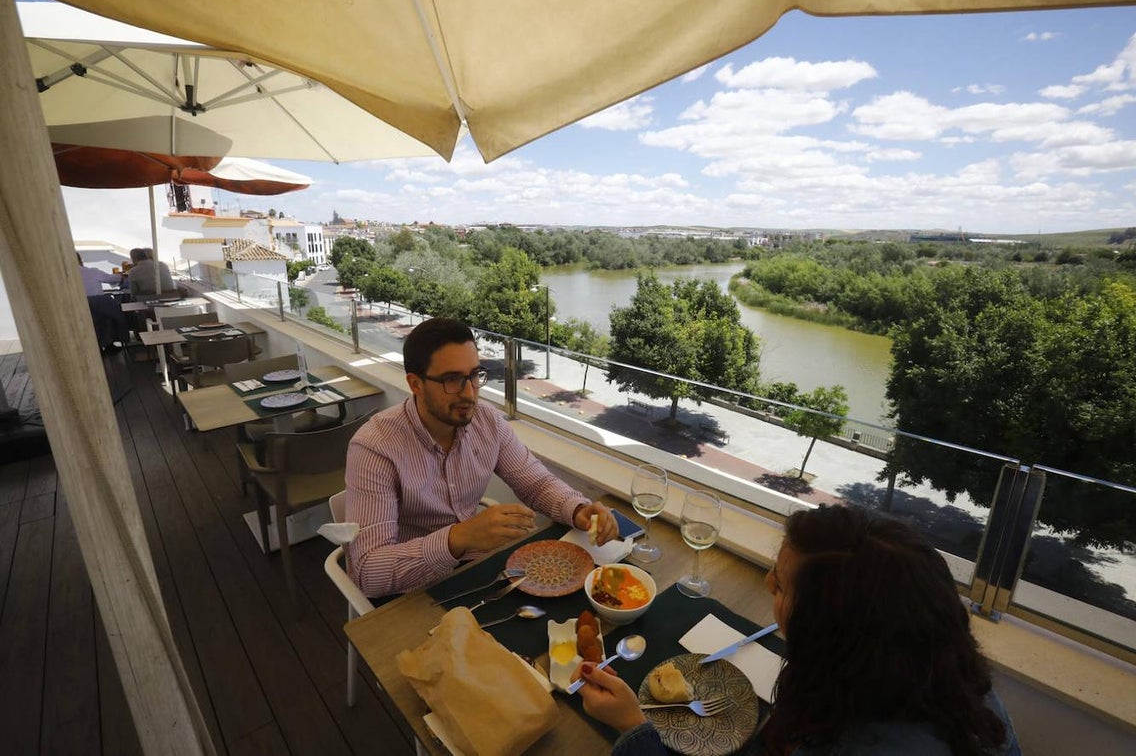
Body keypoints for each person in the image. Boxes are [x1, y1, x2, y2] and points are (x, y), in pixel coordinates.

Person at [575, 504, 1021, 756]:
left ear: (836, 635)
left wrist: (633, 728)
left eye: (783, 585)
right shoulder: (952, 681)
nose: (767, 583)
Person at [345, 317, 619, 597]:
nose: (469, 393)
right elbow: (369, 572)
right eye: (451, 380)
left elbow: (535, 483)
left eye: (474, 375)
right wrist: (459, 538)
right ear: (415, 384)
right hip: (410, 593)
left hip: (476, 570)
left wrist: (576, 509)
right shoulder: (374, 448)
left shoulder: (486, 420)